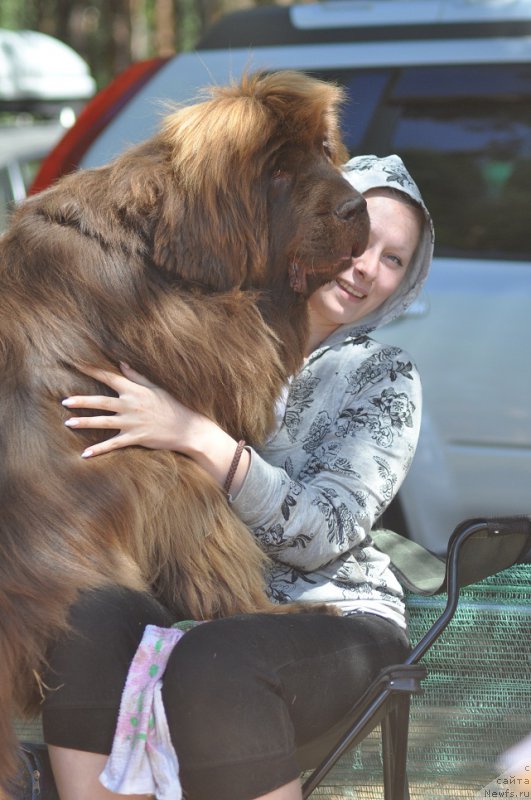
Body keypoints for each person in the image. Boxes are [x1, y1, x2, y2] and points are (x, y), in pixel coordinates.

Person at [42, 154, 434, 800]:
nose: (366, 266)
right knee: (86, 618)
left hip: (336, 617)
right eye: (359, 237)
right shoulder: (212, 335)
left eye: (393, 259)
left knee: (216, 662)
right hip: (201, 605)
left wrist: (195, 434)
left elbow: (322, 531)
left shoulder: (381, 376)